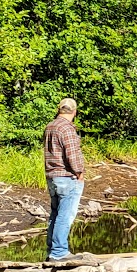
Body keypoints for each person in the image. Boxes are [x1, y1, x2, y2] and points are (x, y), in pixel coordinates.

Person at [43, 98, 86, 262]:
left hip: (52, 177)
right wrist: (79, 172)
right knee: (65, 216)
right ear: (74, 112)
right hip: (67, 177)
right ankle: (59, 252)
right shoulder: (67, 129)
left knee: (55, 215)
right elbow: (72, 155)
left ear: (59, 109)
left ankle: (51, 250)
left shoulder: (50, 126)